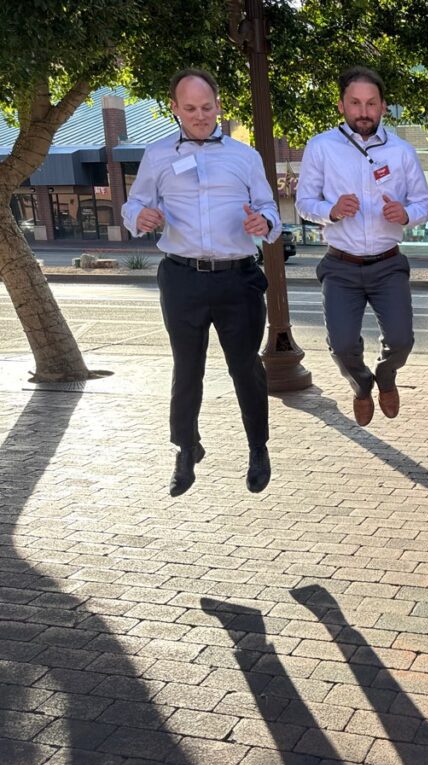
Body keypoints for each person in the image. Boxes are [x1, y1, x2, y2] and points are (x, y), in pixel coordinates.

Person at [122, 68, 280, 497]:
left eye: (207, 107)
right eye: (189, 108)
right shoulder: (157, 157)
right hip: (181, 278)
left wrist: (262, 220)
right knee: (186, 369)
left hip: (238, 278)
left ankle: (258, 449)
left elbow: (271, 211)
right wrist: (140, 216)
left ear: (219, 106)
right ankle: (186, 448)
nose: (200, 116)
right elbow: (133, 203)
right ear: (174, 108)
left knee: (246, 369)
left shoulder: (245, 157)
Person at [297, 66, 428, 426]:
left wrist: (405, 214)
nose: (364, 111)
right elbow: (304, 203)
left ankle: (386, 377)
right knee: (342, 347)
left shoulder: (402, 152)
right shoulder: (321, 147)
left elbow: (424, 204)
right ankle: (361, 385)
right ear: (342, 105)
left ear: (383, 107)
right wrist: (331, 211)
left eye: (371, 103)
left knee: (402, 341)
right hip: (340, 266)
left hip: (388, 264)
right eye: (355, 103)